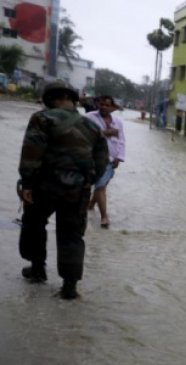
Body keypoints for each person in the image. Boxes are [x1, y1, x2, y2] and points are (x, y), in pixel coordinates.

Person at [17, 81, 109, 300]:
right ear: (73, 99)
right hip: (77, 190)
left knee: (34, 225)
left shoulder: (41, 118)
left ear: (50, 98)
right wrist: (86, 181)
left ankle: (37, 270)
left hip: (43, 185)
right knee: (72, 235)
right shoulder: (93, 127)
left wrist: (26, 183)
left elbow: (32, 151)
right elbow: (102, 161)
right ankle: (69, 288)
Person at [85, 95, 125, 228]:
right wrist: (108, 132)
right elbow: (85, 135)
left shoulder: (118, 121)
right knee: (100, 186)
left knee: (102, 185)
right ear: (98, 104)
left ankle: (91, 204)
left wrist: (119, 157)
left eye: (107, 105)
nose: (104, 107)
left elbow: (121, 140)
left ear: (112, 107)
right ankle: (104, 217)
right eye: (101, 104)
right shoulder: (90, 117)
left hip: (111, 159)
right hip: (95, 157)